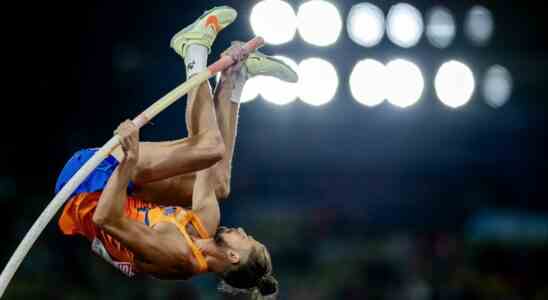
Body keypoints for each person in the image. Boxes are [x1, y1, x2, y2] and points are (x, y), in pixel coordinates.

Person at [55, 6, 298, 298]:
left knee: (209, 148)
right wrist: (226, 75)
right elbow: (209, 162)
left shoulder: (177, 257)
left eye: (247, 239)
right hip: (125, 189)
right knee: (219, 182)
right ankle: (236, 78)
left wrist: (129, 160)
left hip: (86, 187)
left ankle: (193, 47)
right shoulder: (205, 225)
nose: (243, 230)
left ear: (234, 256)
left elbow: (105, 219)